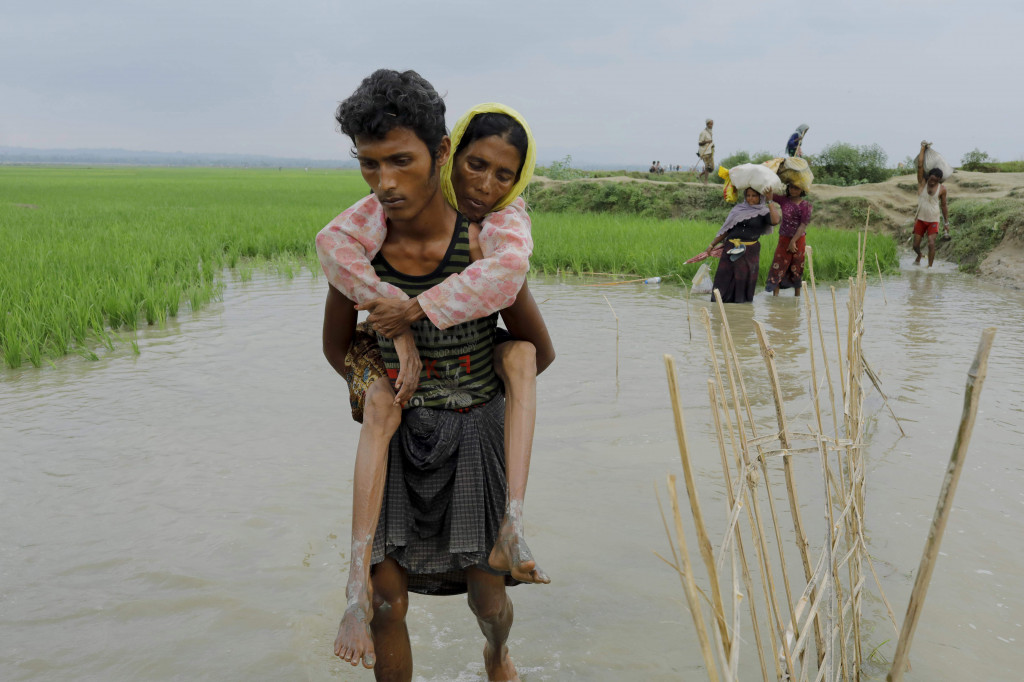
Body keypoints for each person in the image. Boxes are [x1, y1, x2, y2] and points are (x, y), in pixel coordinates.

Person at [320, 70, 554, 681]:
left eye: (401, 161)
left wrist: (495, 354)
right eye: (369, 165)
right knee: (385, 603)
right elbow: (337, 348)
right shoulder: (360, 252)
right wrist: (374, 385)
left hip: (476, 433)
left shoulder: (483, 243)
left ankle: (497, 654)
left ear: (441, 153)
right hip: (397, 435)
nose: (385, 183)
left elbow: (539, 351)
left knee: (488, 602)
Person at [707, 186, 781, 303]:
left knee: (743, 278)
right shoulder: (738, 209)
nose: (750, 198)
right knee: (723, 277)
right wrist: (712, 244)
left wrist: (770, 201)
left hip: (749, 251)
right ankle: (719, 304)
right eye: (748, 195)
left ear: (760, 197)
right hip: (731, 248)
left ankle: (741, 304)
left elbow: (775, 221)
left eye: (754, 196)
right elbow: (727, 229)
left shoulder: (764, 212)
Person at [765, 183, 813, 296]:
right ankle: (775, 298)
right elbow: (769, 196)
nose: (793, 190)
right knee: (778, 265)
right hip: (784, 239)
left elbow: (803, 226)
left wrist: (793, 241)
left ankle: (797, 298)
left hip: (799, 240)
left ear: (802, 189)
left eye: (796, 188)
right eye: (791, 187)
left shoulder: (806, 205)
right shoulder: (784, 200)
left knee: (797, 267)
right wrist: (768, 188)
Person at [913, 141, 950, 267]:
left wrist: (946, 223)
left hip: (933, 219)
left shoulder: (942, 189)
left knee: (931, 243)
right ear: (928, 177)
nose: (932, 182)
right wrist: (922, 148)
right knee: (915, 245)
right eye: (931, 179)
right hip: (920, 218)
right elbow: (920, 166)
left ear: (939, 180)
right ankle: (919, 255)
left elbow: (944, 206)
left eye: (935, 181)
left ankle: (930, 268)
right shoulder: (922, 183)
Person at [698, 119, 715, 184]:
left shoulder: (710, 132)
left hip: (710, 151)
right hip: (704, 152)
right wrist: (708, 141)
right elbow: (700, 143)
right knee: (707, 166)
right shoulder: (703, 132)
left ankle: (699, 175)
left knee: (711, 168)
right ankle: (706, 181)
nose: (711, 125)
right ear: (707, 124)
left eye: (712, 124)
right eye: (710, 124)